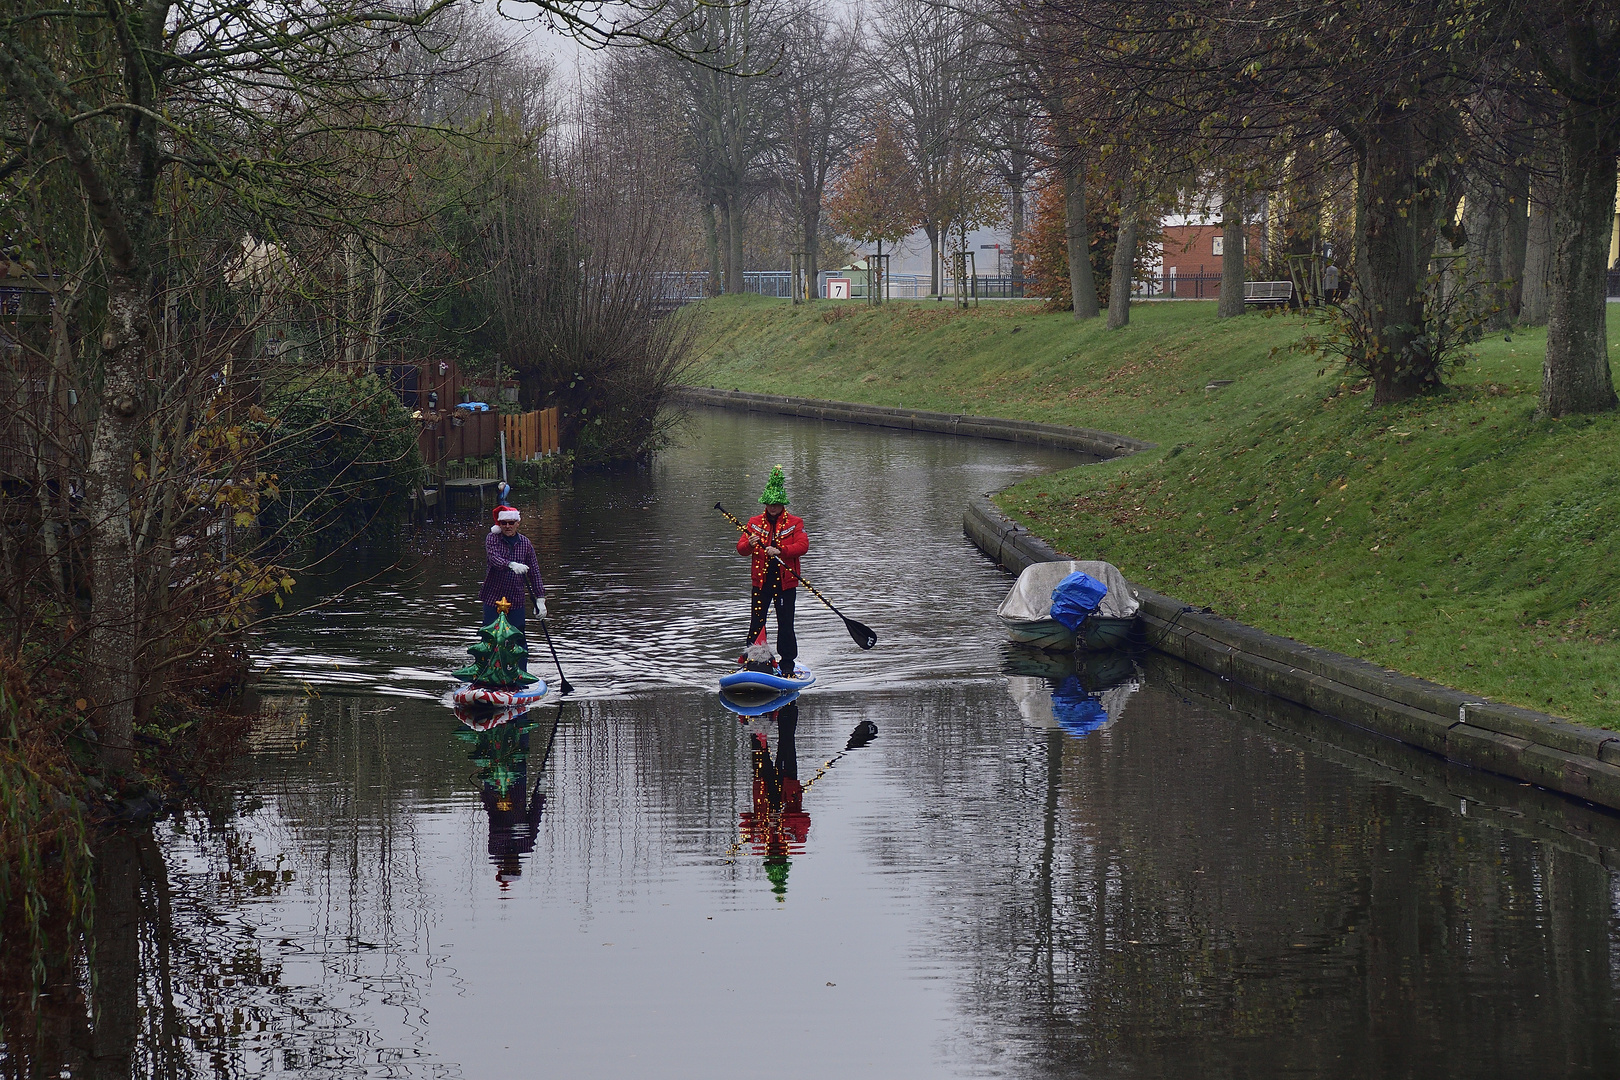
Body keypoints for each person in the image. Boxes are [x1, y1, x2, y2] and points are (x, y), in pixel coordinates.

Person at [736, 466, 809, 676]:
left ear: (782, 504)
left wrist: (781, 550)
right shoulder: (753, 523)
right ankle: (753, 662)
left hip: (786, 585)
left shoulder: (796, 523)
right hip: (761, 584)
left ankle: (787, 665)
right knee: (757, 622)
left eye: (777, 504)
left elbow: (803, 547)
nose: (773, 507)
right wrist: (749, 544)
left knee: (786, 624)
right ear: (765, 503)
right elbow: (741, 550)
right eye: (770, 504)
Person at [481, 505, 546, 670]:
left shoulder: (526, 544)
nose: (507, 526)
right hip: (493, 597)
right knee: (490, 637)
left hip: (516, 599)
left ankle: (520, 674)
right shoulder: (492, 538)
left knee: (518, 637)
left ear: (517, 523)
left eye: (511, 523)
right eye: (504, 523)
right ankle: (486, 672)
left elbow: (535, 572)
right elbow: (494, 558)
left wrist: (540, 599)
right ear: (499, 524)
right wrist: (510, 565)